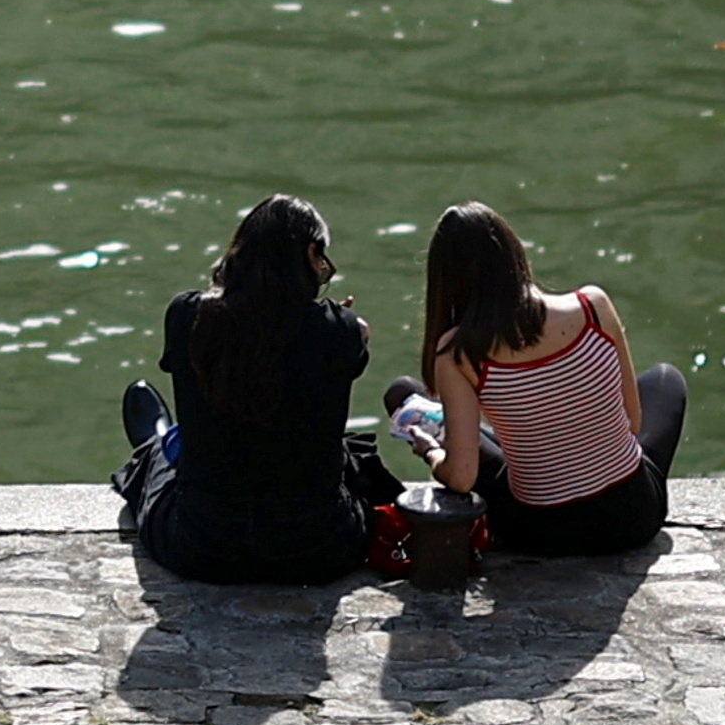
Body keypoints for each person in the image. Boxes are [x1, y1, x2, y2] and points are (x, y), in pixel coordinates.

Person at [390, 201, 688, 556]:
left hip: (538, 532)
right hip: (633, 518)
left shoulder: (456, 352)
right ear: (515, 256)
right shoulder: (594, 306)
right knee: (666, 379)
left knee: (404, 394)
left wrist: (432, 453)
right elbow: (632, 423)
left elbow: (461, 477)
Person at [114, 193, 372, 583]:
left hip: (204, 545)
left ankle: (159, 441)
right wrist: (349, 330)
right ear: (311, 253)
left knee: (160, 467)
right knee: (348, 456)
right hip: (319, 548)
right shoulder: (339, 331)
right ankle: (164, 442)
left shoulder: (186, 315)